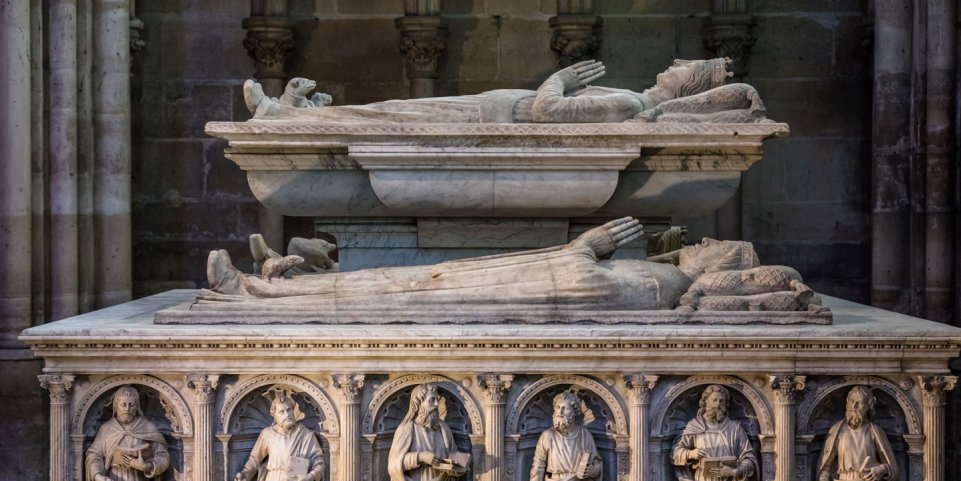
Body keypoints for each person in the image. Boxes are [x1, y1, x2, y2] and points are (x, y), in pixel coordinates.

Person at [199, 217, 820, 313]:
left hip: (533, 286)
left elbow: (589, 289)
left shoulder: (679, 283)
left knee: (401, 293)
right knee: (399, 285)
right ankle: (274, 285)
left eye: (714, 246)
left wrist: (587, 248)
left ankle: (259, 294)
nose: (702, 243)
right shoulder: (667, 275)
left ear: (724, 266)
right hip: (529, 277)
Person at [243, 58, 767, 124]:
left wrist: (561, 77)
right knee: (393, 112)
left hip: (501, 113)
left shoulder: (631, 102)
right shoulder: (633, 99)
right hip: (498, 108)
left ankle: (282, 115)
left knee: (393, 117)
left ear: (688, 83)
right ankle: (293, 113)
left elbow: (547, 109)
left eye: (684, 68)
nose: (674, 65)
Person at [235, 387, 325, 481]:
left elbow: (319, 462)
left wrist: (311, 476)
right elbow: (254, 460)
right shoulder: (267, 434)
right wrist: (244, 474)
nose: (287, 415)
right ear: (275, 416)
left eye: (289, 410)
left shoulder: (306, 435)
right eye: (282, 412)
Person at [672, 385, 758, 481]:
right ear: (705, 401)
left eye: (722, 401)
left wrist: (734, 472)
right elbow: (675, 453)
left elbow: (750, 458)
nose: (717, 405)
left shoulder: (735, 428)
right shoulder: (694, 426)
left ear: (726, 404)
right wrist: (691, 454)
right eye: (714, 400)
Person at [85, 385, 170, 481]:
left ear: (137, 406)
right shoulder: (106, 429)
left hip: (140, 477)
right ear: (116, 406)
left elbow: (163, 456)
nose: (127, 409)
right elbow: (94, 456)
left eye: (131, 404)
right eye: (123, 404)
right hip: (113, 477)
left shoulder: (148, 427)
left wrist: (147, 466)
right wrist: (97, 476)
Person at [388, 383, 469, 481]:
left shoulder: (443, 427)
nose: (436, 404)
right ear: (418, 403)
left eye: (436, 400)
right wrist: (420, 457)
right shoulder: (406, 429)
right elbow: (393, 466)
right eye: (431, 400)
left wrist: (462, 461)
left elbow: (453, 453)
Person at [816, 386, 898, 481]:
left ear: (869, 405)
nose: (854, 406)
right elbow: (824, 467)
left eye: (859, 403)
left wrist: (882, 469)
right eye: (851, 401)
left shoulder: (875, 431)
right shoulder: (837, 430)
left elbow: (893, 469)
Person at [529, 391, 603, 481]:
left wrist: (592, 470)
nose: (560, 411)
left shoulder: (585, 435)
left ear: (574, 412)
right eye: (558, 407)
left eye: (565, 408)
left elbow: (597, 464)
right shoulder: (547, 436)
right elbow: (538, 467)